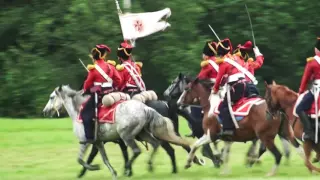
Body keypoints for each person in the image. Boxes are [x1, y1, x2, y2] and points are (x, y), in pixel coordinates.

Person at [80, 44, 122, 143]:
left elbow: (87, 85)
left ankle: (89, 137)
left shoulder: (93, 69)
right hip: (111, 91)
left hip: (98, 94)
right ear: (104, 55)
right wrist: (113, 87)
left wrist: (89, 90)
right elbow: (119, 80)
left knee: (85, 113)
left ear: (95, 56)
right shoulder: (111, 66)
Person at [212, 38, 247, 137]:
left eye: (218, 54)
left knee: (223, 106)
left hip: (235, 87)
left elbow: (218, 79)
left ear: (220, 53)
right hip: (244, 85)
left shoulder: (224, 63)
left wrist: (215, 90)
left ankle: (228, 129)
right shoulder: (236, 58)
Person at [295, 37, 320, 142]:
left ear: (316, 49)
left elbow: (305, 79)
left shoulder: (312, 62)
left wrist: (300, 91)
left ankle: (309, 133)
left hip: (317, 90)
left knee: (299, 108)